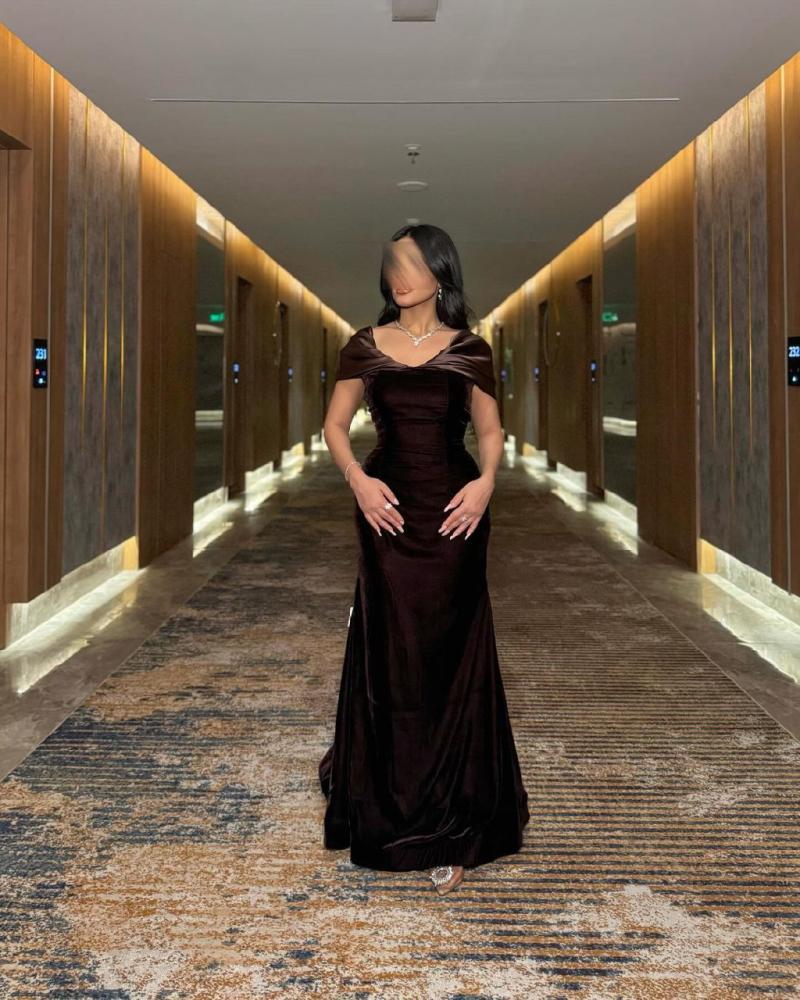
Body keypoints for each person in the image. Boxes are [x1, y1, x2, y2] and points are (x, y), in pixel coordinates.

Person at [318, 223, 530, 895]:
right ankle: (389, 802)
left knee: (450, 651)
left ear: (440, 271)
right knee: (392, 651)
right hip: (384, 508)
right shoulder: (364, 344)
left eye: (413, 263)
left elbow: (490, 430)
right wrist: (357, 479)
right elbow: (333, 425)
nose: (400, 276)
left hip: (455, 510)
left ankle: (454, 822)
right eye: (393, 264)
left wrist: (486, 483)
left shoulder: (470, 349)